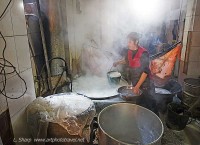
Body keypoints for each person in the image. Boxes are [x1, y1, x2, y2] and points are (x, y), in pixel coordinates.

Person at [113, 32, 158, 115]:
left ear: (136, 42)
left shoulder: (143, 53)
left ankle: (156, 123)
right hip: (136, 84)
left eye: (129, 42)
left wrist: (137, 87)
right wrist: (117, 62)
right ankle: (140, 124)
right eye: (127, 41)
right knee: (140, 107)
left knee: (151, 107)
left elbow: (145, 72)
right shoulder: (129, 51)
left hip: (146, 85)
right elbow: (127, 60)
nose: (128, 44)